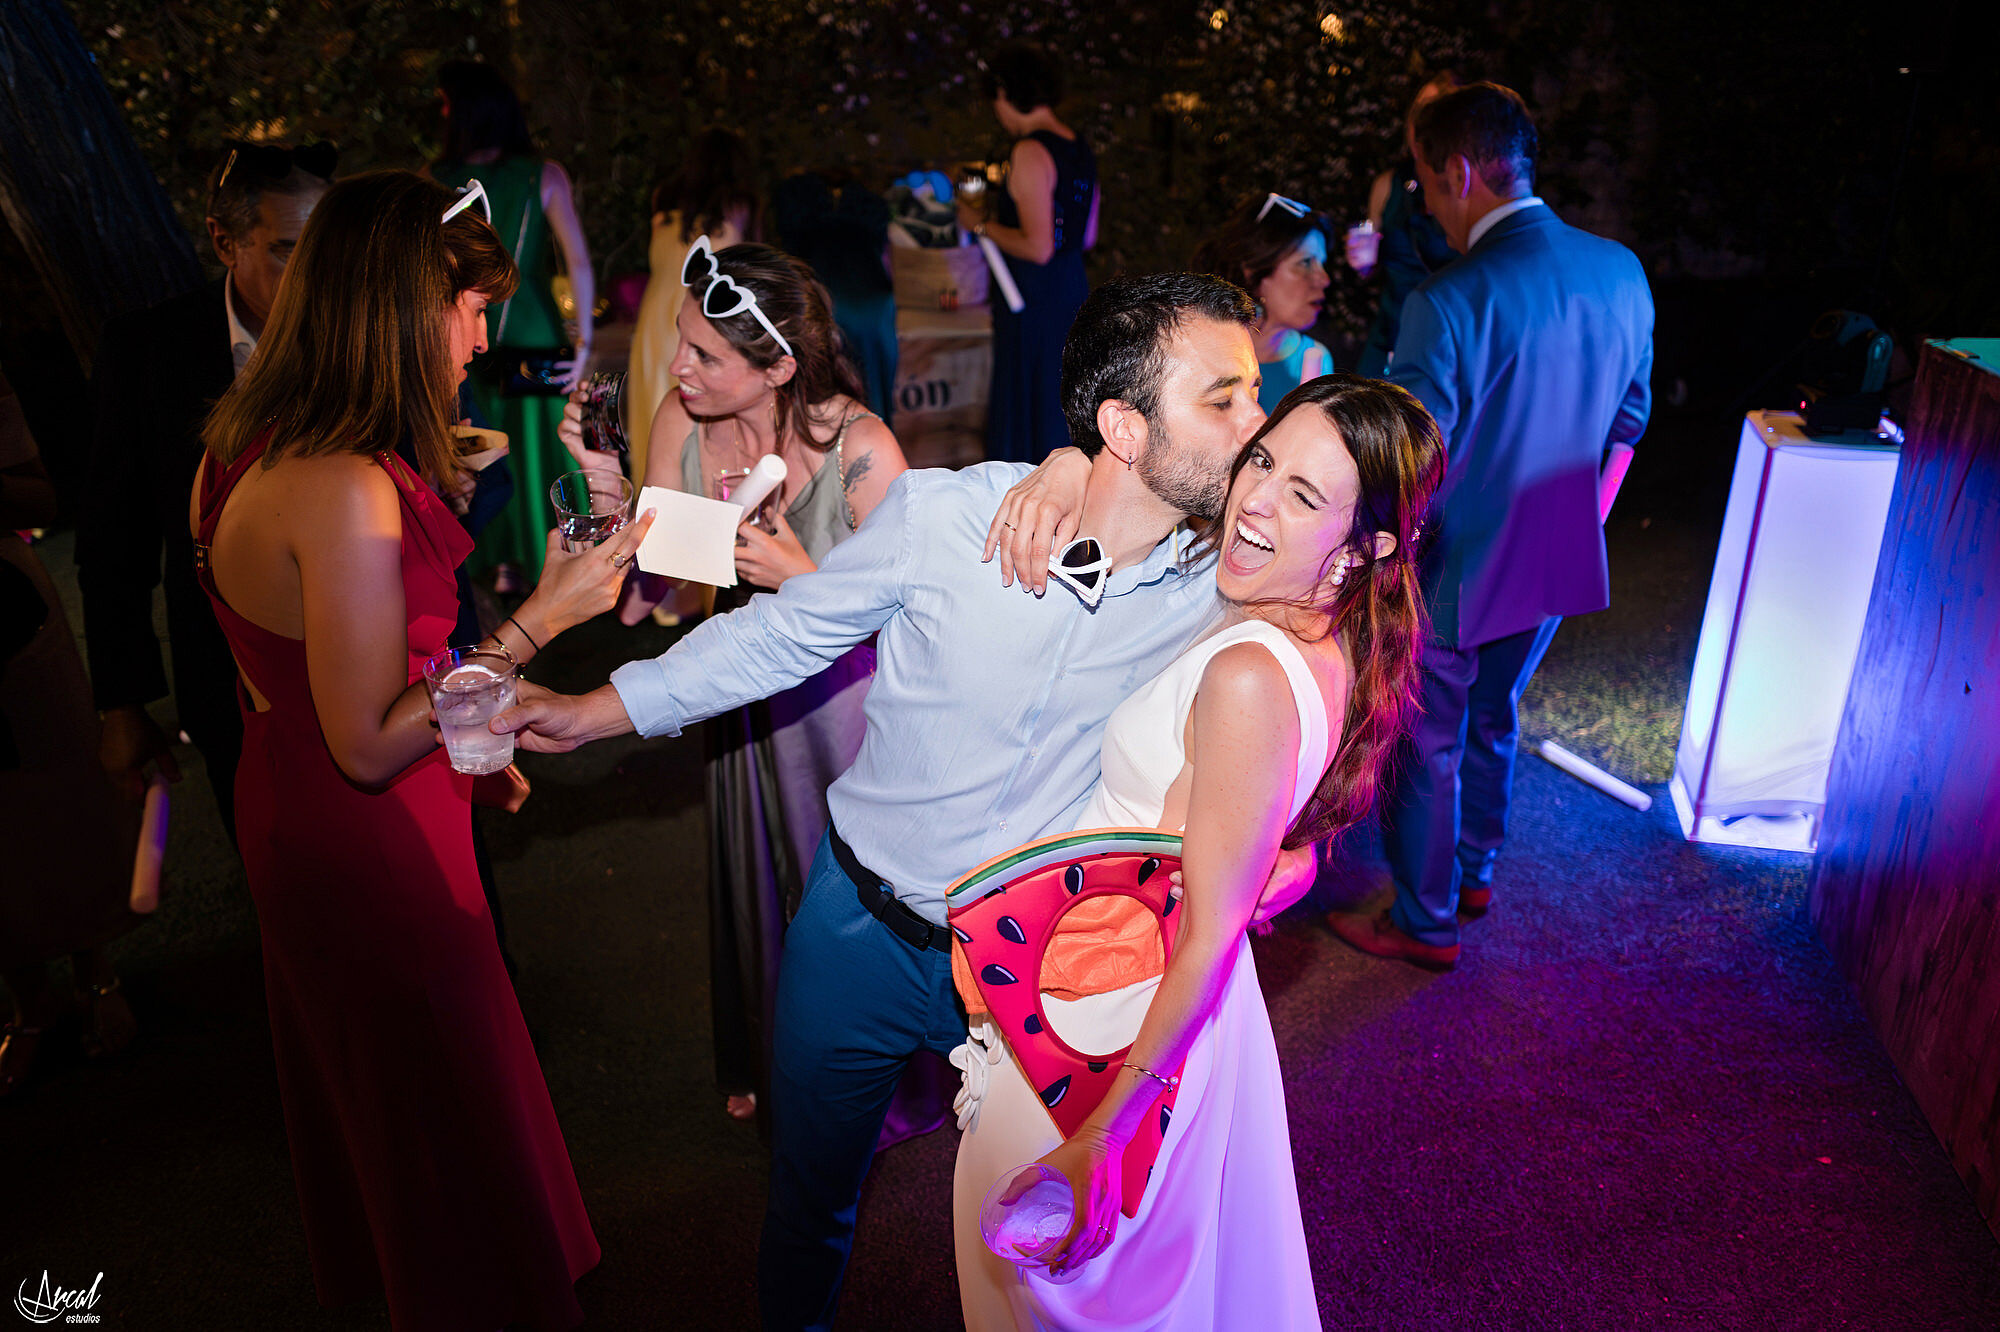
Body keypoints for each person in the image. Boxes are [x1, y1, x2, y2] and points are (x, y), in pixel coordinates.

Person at [497, 273, 1317, 1331]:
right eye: (1225, 397)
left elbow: (1308, 694)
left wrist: (1297, 849)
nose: (1257, 425)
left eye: (1252, 395)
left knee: (1044, 1224)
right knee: (809, 1195)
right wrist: (587, 712)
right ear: (1122, 426)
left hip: (1046, 958)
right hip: (859, 933)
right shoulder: (946, 517)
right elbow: (779, 635)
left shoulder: (1219, 590)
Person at [192, 169, 649, 1330]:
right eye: (471, 308)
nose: (484, 337)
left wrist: (469, 744)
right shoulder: (341, 485)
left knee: (400, 1109)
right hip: (368, 834)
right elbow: (363, 739)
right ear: (398, 308)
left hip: (298, 799)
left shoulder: (242, 444)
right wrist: (541, 615)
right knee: (440, 1114)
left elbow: (288, 677)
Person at [952, 375, 1443, 1330]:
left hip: (1113, 1021)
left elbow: (1210, 931)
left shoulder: (1250, 673)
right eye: (1263, 461)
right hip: (1140, 993)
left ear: (1363, 547)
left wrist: (1105, 1132)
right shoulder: (1311, 637)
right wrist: (1067, 466)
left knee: (1035, 1277)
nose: (1254, 499)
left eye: (1303, 495)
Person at [563, 241, 910, 1126]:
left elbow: (916, 629)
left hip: (849, 713)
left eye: (705, 355)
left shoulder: (862, 449)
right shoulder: (683, 422)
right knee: (761, 892)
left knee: (848, 901)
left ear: (778, 368)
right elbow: (644, 601)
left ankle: (871, 1088)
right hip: (743, 699)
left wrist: (802, 576)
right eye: (681, 341)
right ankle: (773, 1058)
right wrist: (606, 489)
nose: (676, 365)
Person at [1328, 82, 1654, 971]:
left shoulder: (1448, 299)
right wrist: (1580, 520)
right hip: (1559, 555)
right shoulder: (1621, 270)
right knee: (1495, 715)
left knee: (1425, 738)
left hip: (1457, 565)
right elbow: (1628, 425)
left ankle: (1425, 920)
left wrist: (1364, 555)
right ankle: (1474, 872)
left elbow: (1410, 462)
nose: (1427, 206)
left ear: (1461, 173)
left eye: (1426, 183)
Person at [82, 140, 334, 842]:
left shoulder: (361, 331)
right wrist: (123, 704)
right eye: (287, 251)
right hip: (227, 678)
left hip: (379, 659)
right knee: (275, 860)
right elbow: (113, 540)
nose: (313, 277)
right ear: (225, 241)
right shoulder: (146, 353)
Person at [1, 374, 140, 1095]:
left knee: (54, 787)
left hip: (5, 611)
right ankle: (27, 997)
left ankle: (94, 969)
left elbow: (40, 497)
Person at [433, 59, 594, 587]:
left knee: (479, 443)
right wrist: (584, 343)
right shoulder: (542, 175)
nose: (442, 113)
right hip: (533, 335)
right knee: (532, 448)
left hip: (460, 332)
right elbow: (578, 261)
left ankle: (494, 562)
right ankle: (552, 557)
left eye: (447, 103)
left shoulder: (434, 181)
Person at [959, 43, 1098, 464]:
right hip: (1072, 286)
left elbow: (1038, 247)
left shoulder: (1030, 151)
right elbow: (1087, 236)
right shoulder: (1080, 147)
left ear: (1005, 93)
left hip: (1031, 297)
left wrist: (979, 224)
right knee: (1060, 396)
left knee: (1029, 400)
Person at [627, 127, 760, 485]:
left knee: (657, 407)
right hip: (708, 322)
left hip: (656, 321)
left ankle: (658, 492)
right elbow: (753, 271)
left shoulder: (664, 199)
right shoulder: (739, 204)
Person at [1349, 73, 1462, 378]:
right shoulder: (1390, 185)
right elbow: (1370, 269)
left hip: (1446, 340)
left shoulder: (1466, 190)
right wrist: (1362, 262)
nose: (1420, 123)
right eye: (1417, 112)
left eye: (1433, 111)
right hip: (1391, 333)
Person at [773, 169, 900, 426]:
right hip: (866, 305)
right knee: (872, 386)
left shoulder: (795, 203)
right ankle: (869, 434)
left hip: (819, 301)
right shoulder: (868, 207)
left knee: (815, 392)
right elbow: (886, 257)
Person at [1191, 192, 1336, 414]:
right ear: (1253, 271)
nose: (1324, 279)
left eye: (1322, 264)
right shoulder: (1201, 351)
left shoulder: (1316, 359)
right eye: (1305, 263)